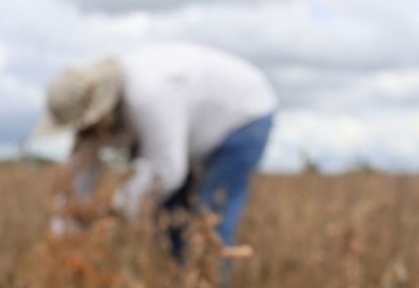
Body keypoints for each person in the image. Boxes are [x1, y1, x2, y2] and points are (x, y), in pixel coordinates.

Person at [41, 42, 277, 264]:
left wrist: (116, 211)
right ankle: (178, 287)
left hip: (245, 116)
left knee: (210, 217)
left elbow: (167, 170)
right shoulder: (95, 120)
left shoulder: (148, 95)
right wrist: (63, 230)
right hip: (192, 135)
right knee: (168, 215)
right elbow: (79, 175)